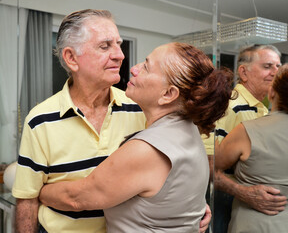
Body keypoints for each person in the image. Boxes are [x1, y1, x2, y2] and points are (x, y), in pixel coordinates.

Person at [12, 9, 211, 233]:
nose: (120, 55)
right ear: (71, 58)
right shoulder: (40, 120)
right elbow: (27, 201)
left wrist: (183, 208)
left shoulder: (141, 107)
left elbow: (170, 170)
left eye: (118, 44)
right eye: (105, 46)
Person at [38, 42, 233, 232]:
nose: (134, 68)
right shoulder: (189, 130)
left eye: (146, 67)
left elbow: (76, 198)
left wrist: (39, 191)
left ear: (168, 94)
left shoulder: (147, 150)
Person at [201, 44, 285, 232]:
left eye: (278, 67)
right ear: (243, 72)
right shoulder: (228, 105)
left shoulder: (263, 108)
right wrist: (243, 192)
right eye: (267, 66)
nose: (275, 72)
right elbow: (206, 163)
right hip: (224, 199)